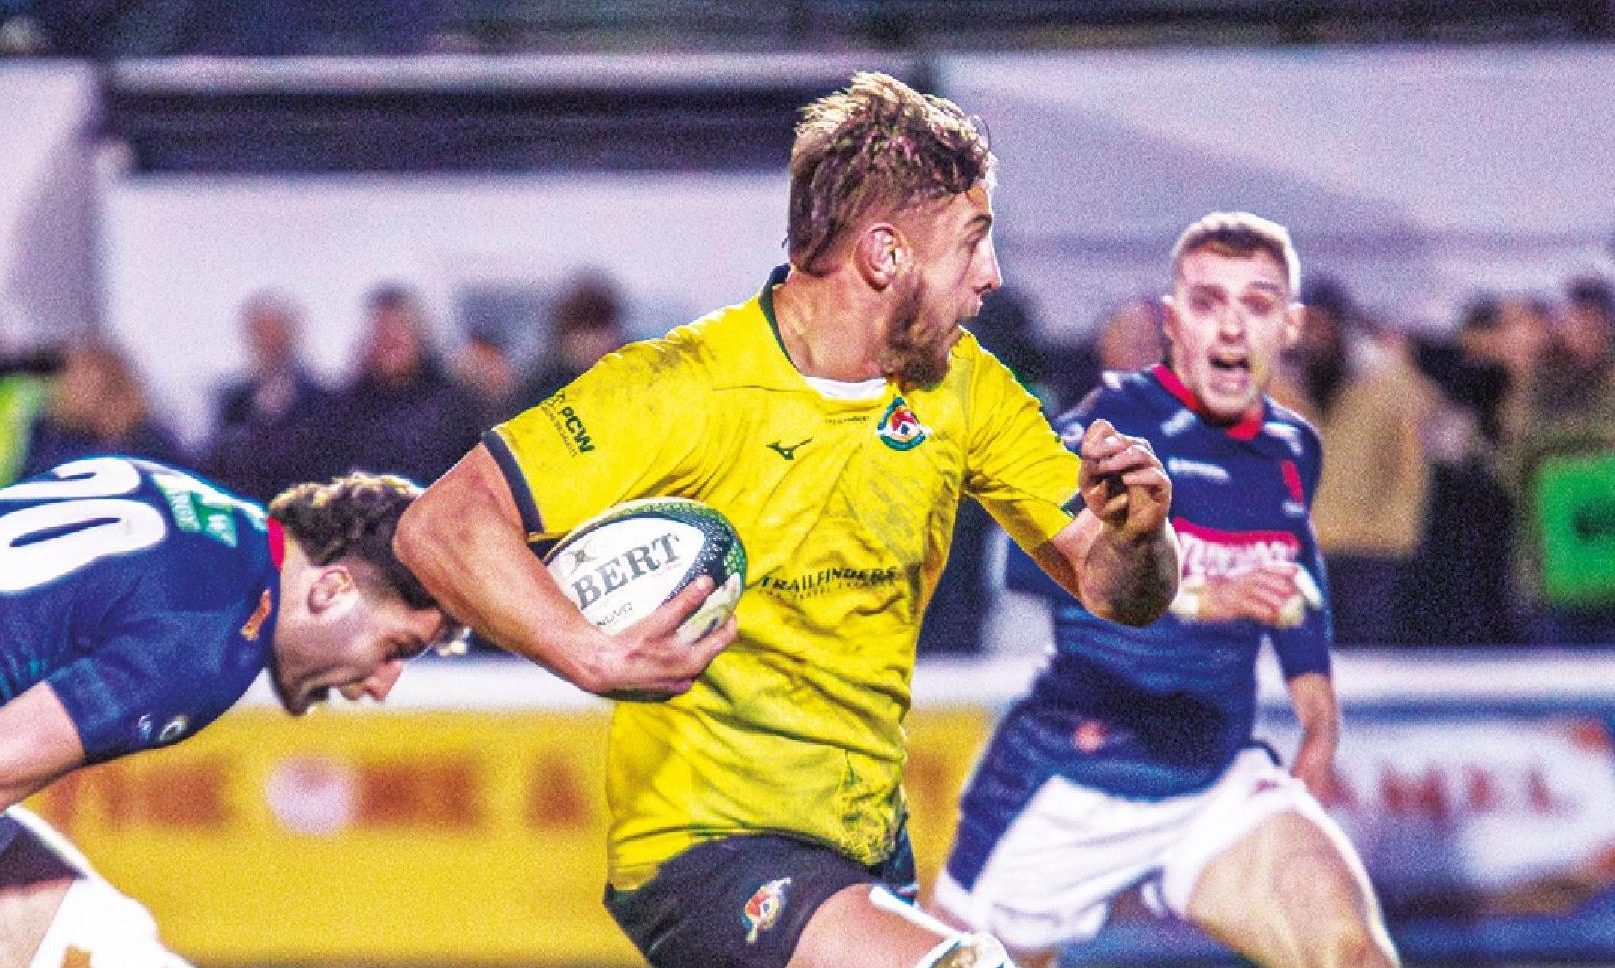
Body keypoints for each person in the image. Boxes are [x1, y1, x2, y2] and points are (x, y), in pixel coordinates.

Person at [394, 71, 1179, 968]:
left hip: (866, 853)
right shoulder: (682, 387)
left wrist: (1137, 537)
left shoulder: (964, 389)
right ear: (885, 257)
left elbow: (1119, 593)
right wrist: (590, 651)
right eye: (972, 243)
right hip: (702, 851)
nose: (992, 276)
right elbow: (443, 523)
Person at [933, 213, 1399, 968]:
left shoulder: (1288, 448)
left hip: (1211, 778)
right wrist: (1200, 595)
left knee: (1351, 955)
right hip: (1074, 778)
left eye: (1256, 304)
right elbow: (1026, 566)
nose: (1231, 328)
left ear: (1289, 326)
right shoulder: (1096, 437)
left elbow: (1293, 573)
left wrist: (1316, 711)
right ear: (1176, 324)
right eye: (1211, 303)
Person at [0, 456, 464, 966]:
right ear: (332, 590)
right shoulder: (211, 638)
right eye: (396, 647)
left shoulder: (181, 497)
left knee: (97, 934)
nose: (382, 685)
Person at [204, 290, 340, 502]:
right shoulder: (234, 403)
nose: (267, 342)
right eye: (260, 332)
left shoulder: (324, 404)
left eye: (275, 332)